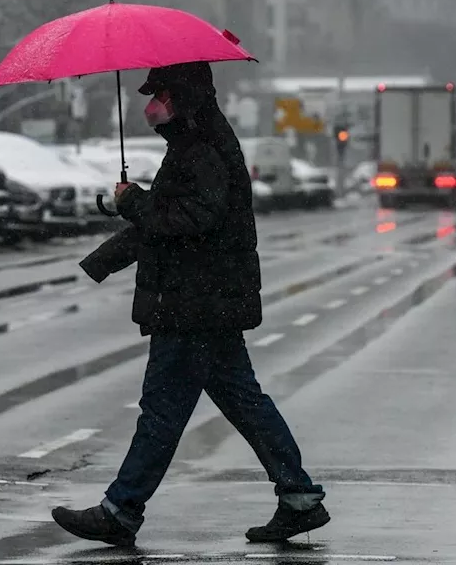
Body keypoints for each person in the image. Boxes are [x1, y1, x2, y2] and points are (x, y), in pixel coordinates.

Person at [50, 61, 328, 547]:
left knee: (162, 411)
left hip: (194, 305)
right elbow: (162, 222)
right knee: (244, 403)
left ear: (180, 97)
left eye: (156, 94)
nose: (148, 106)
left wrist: (134, 200)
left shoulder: (201, 149)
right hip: (204, 302)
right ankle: (299, 498)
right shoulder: (194, 144)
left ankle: (120, 510)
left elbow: (188, 220)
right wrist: (103, 257)